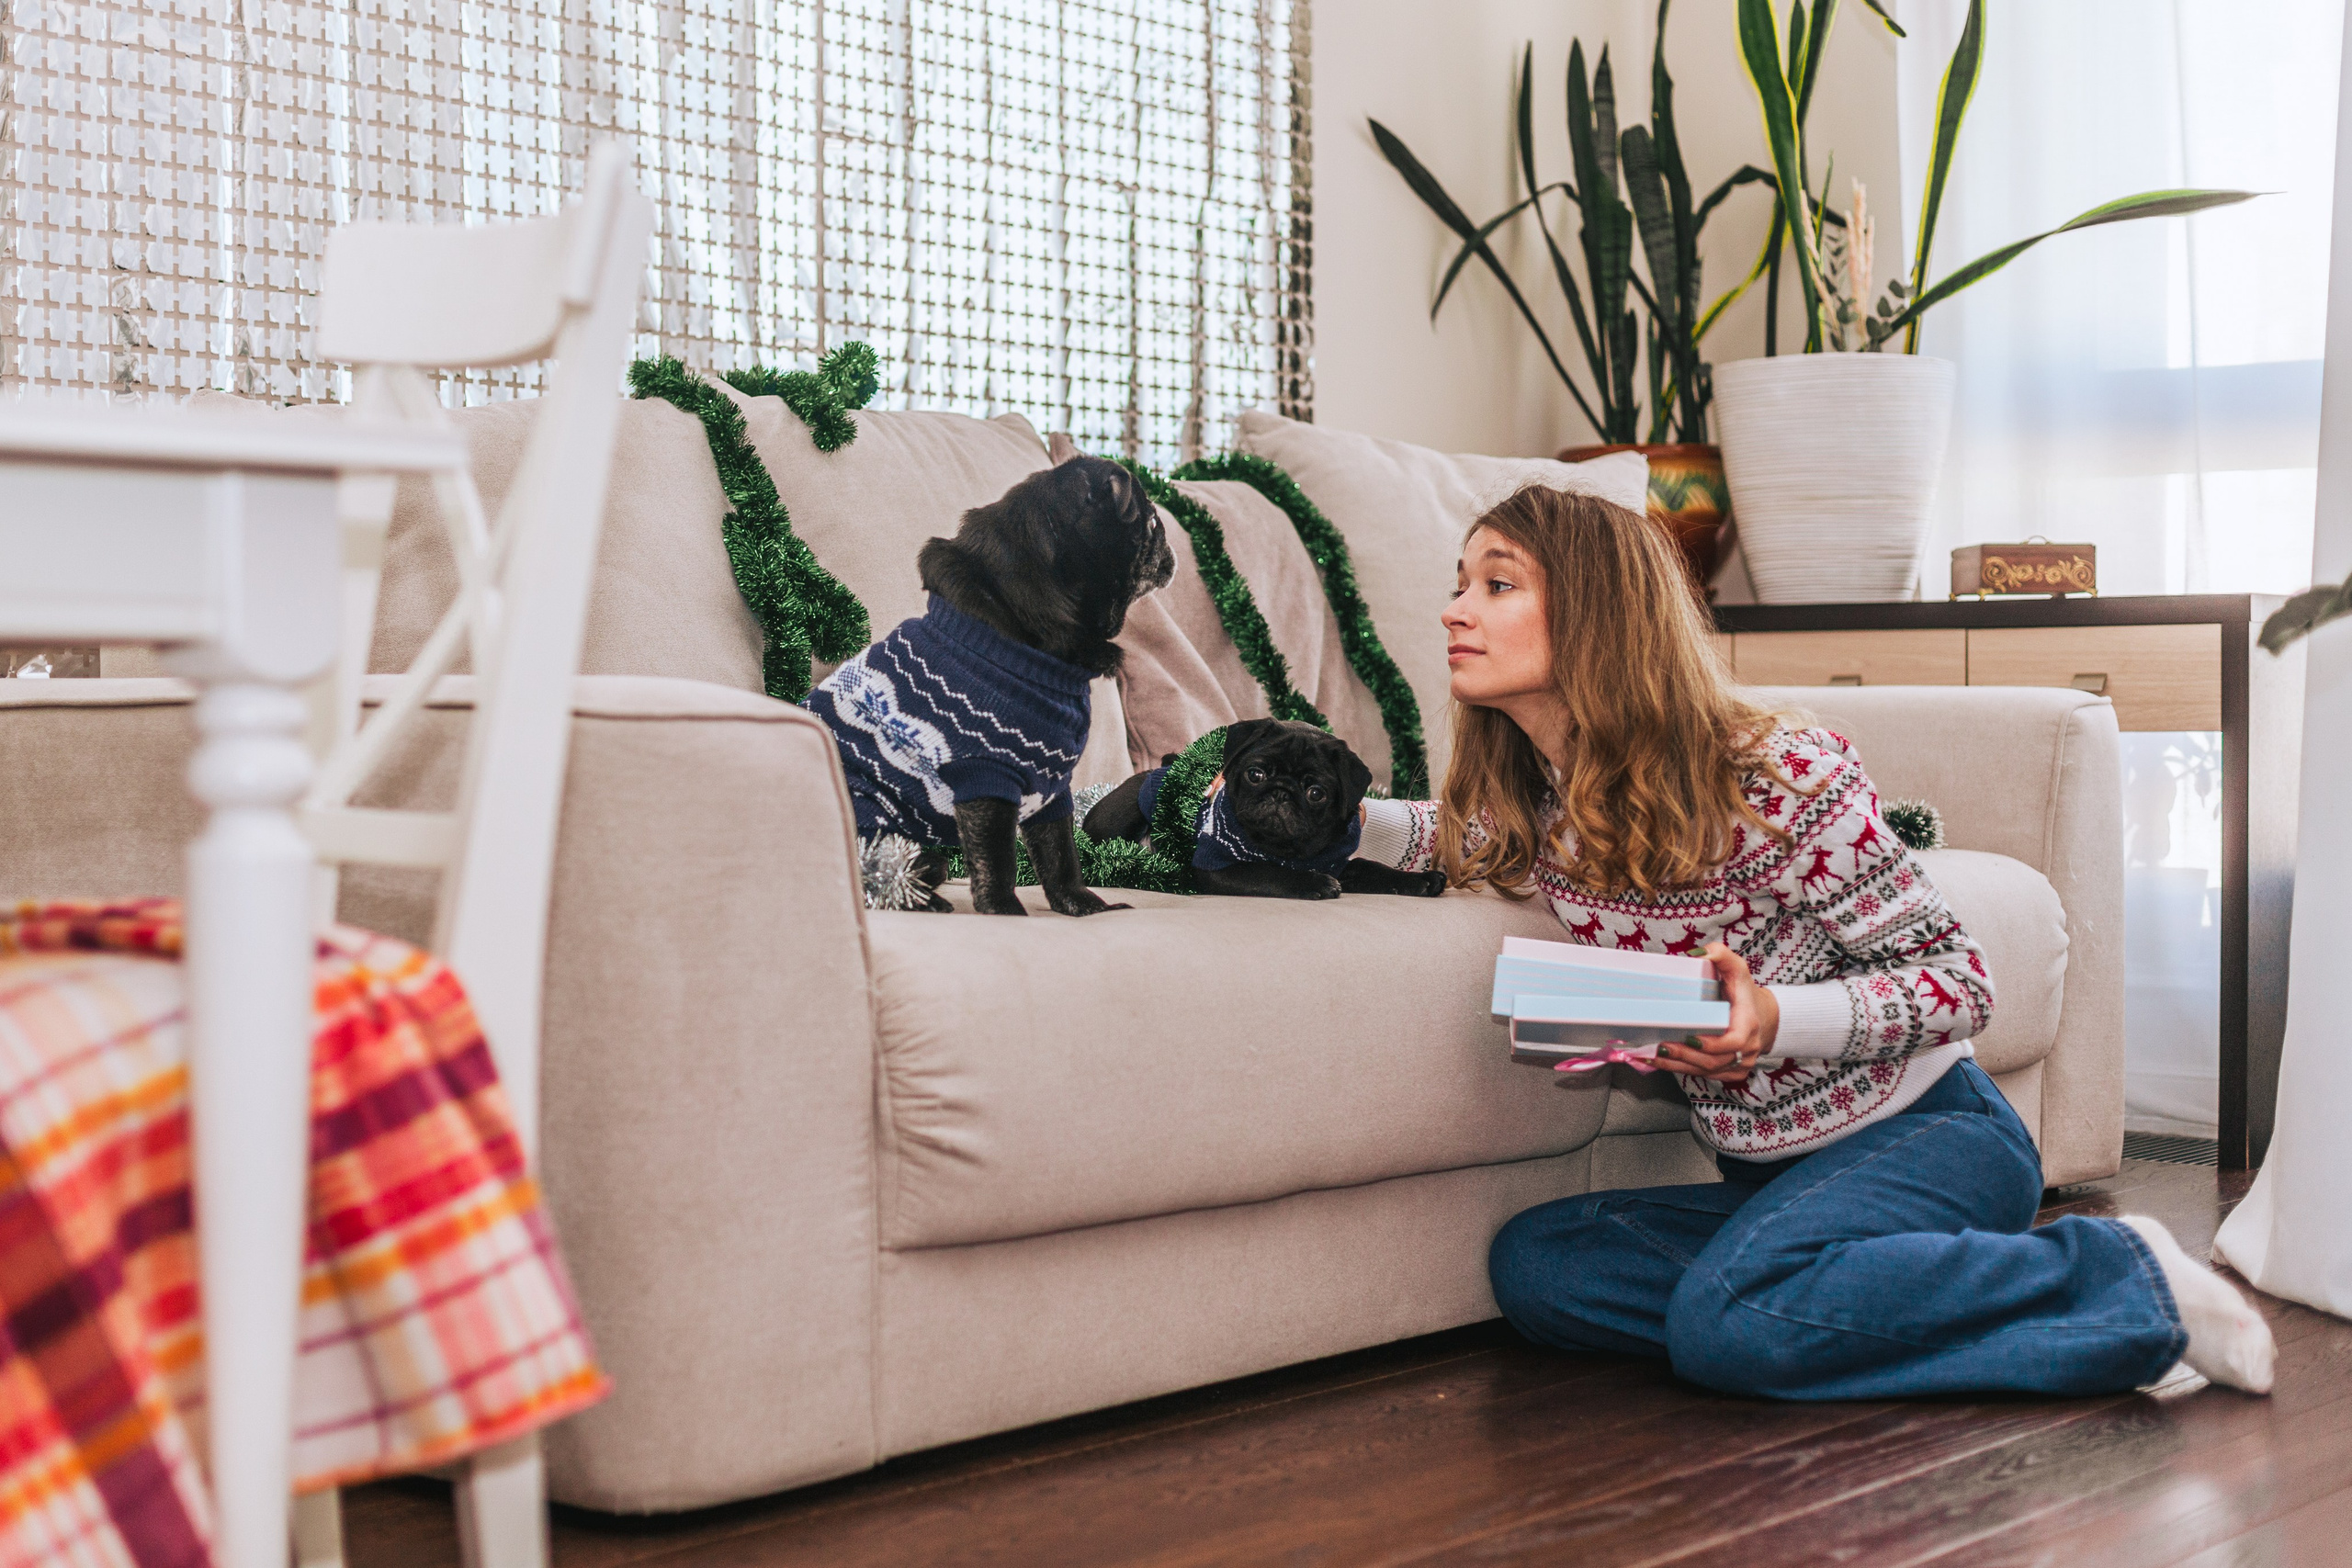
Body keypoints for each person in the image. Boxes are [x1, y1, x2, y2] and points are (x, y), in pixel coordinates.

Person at [1358, 484, 2274, 1399]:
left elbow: (1961, 985)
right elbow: (1437, 835)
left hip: (1929, 1137)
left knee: (1729, 1328)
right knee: (1540, 1268)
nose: (1454, 610)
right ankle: (1869, 1294)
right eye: (1459, 583)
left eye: (1496, 585)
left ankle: (2111, 1277)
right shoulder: (1543, 811)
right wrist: (1298, 816)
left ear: (1597, 613)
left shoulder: (1770, 778)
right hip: (1765, 1178)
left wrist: (1770, 1021)